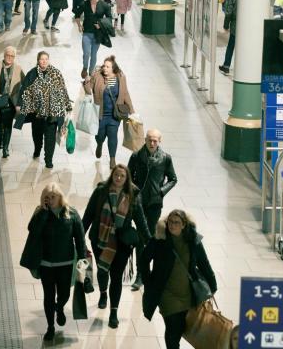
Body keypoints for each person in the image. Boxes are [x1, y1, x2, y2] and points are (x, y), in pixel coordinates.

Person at [82, 164, 150, 329]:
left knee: (117, 276)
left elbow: (140, 220)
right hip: (100, 239)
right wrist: (79, 236)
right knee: (103, 270)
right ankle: (103, 293)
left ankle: (114, 312)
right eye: (116, 175)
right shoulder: (101, 191)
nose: (119, 178)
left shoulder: (132, 195)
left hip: (121, 243)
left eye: (122, 176)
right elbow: (89, 214)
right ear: (112, 175)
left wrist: (150, 241)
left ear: (127, 179)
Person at [141, 210, 218, 349]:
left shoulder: (193, 240)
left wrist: (212, 286)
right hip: (167, 294)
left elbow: (204, 264)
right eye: (170, 222)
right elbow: (144, 259)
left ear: (184, 225)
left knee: (181, 327)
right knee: (172, 329)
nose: (172, 225)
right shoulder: (160, 239)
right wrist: (148, 281)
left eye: (176, 222)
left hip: (188, 294)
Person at [24, 183, 86, 341]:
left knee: (64, 294)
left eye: (53, 197)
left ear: (60, 197)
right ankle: (50, 326)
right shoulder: (40, 213)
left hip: (65, 264)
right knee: (48, 296)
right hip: (46, 264)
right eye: (47, 197)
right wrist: (44, 213)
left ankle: (60, 308)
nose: (50, 200)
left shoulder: (71, 214)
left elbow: (80, 238)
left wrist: (82, 259)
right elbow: (33, 231)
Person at [128, 129, 178, 290]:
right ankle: (141, 274)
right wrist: (134, 192)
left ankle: (144, 272)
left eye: (155, 140)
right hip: (138, 202)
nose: (152, 143)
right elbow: (128, 176)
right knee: (142, 237)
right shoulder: (136, 156)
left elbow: (173, 178)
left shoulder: (165, 158)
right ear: (145, 139)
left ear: (159, 141)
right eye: (149, 140)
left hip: (154, 204)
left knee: (148, 237)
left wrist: (161, 191)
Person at [18, 51, 71, 169]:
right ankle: (37, 149)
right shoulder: (32, 73)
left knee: (50, 138)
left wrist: (67, 106)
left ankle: (48, 160)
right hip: (37, 113)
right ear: (38, 60)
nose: (44, 61)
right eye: (42, 59)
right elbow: (24, 90)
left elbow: (63, 90)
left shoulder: (56, 73)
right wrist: (20, 104)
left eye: (46, 59)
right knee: (37, 136)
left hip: (52, 113)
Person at [84, 56, 134, 168]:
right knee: (100, 135)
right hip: (100, 114)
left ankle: (112, 159)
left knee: (112, 135)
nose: (105, 68)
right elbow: (88, 89)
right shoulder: (97, 76)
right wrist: (87, 81)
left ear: (113, 68)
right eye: (104, 66)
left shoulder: (120, 77)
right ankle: (100, 144)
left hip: (115, 114)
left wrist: (132, 111)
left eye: (108, 66)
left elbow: (125, 93)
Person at [80, 0, 111, 78]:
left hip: (98, 34)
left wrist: (101, 25)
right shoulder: (85, 3)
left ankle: (91, 72)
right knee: (86, 53)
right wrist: (79, 25)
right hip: (87, 33)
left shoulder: (104, 5)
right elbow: (77, 15)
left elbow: (109, 18)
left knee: (93, 54)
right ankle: (85, 67)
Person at [219, 0, 238, 74]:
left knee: (231, 46)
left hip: (236, 26)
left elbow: (228, 13)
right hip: (250, 28)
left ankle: (226, 66)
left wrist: (226, 26)